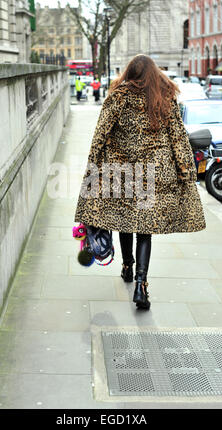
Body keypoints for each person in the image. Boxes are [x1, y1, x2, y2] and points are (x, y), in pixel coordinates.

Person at [74, 54, 206, 311]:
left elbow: (101, 131)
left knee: (126, 219)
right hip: (154, 171)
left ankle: (126, 266)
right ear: (154, 73)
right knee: (145, 228)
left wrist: (93, 165)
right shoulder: (165, 96)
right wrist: (186, 171)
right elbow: (178, 137)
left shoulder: (118, 95)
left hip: (122, 170)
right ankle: (141, 285)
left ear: (129, 73)